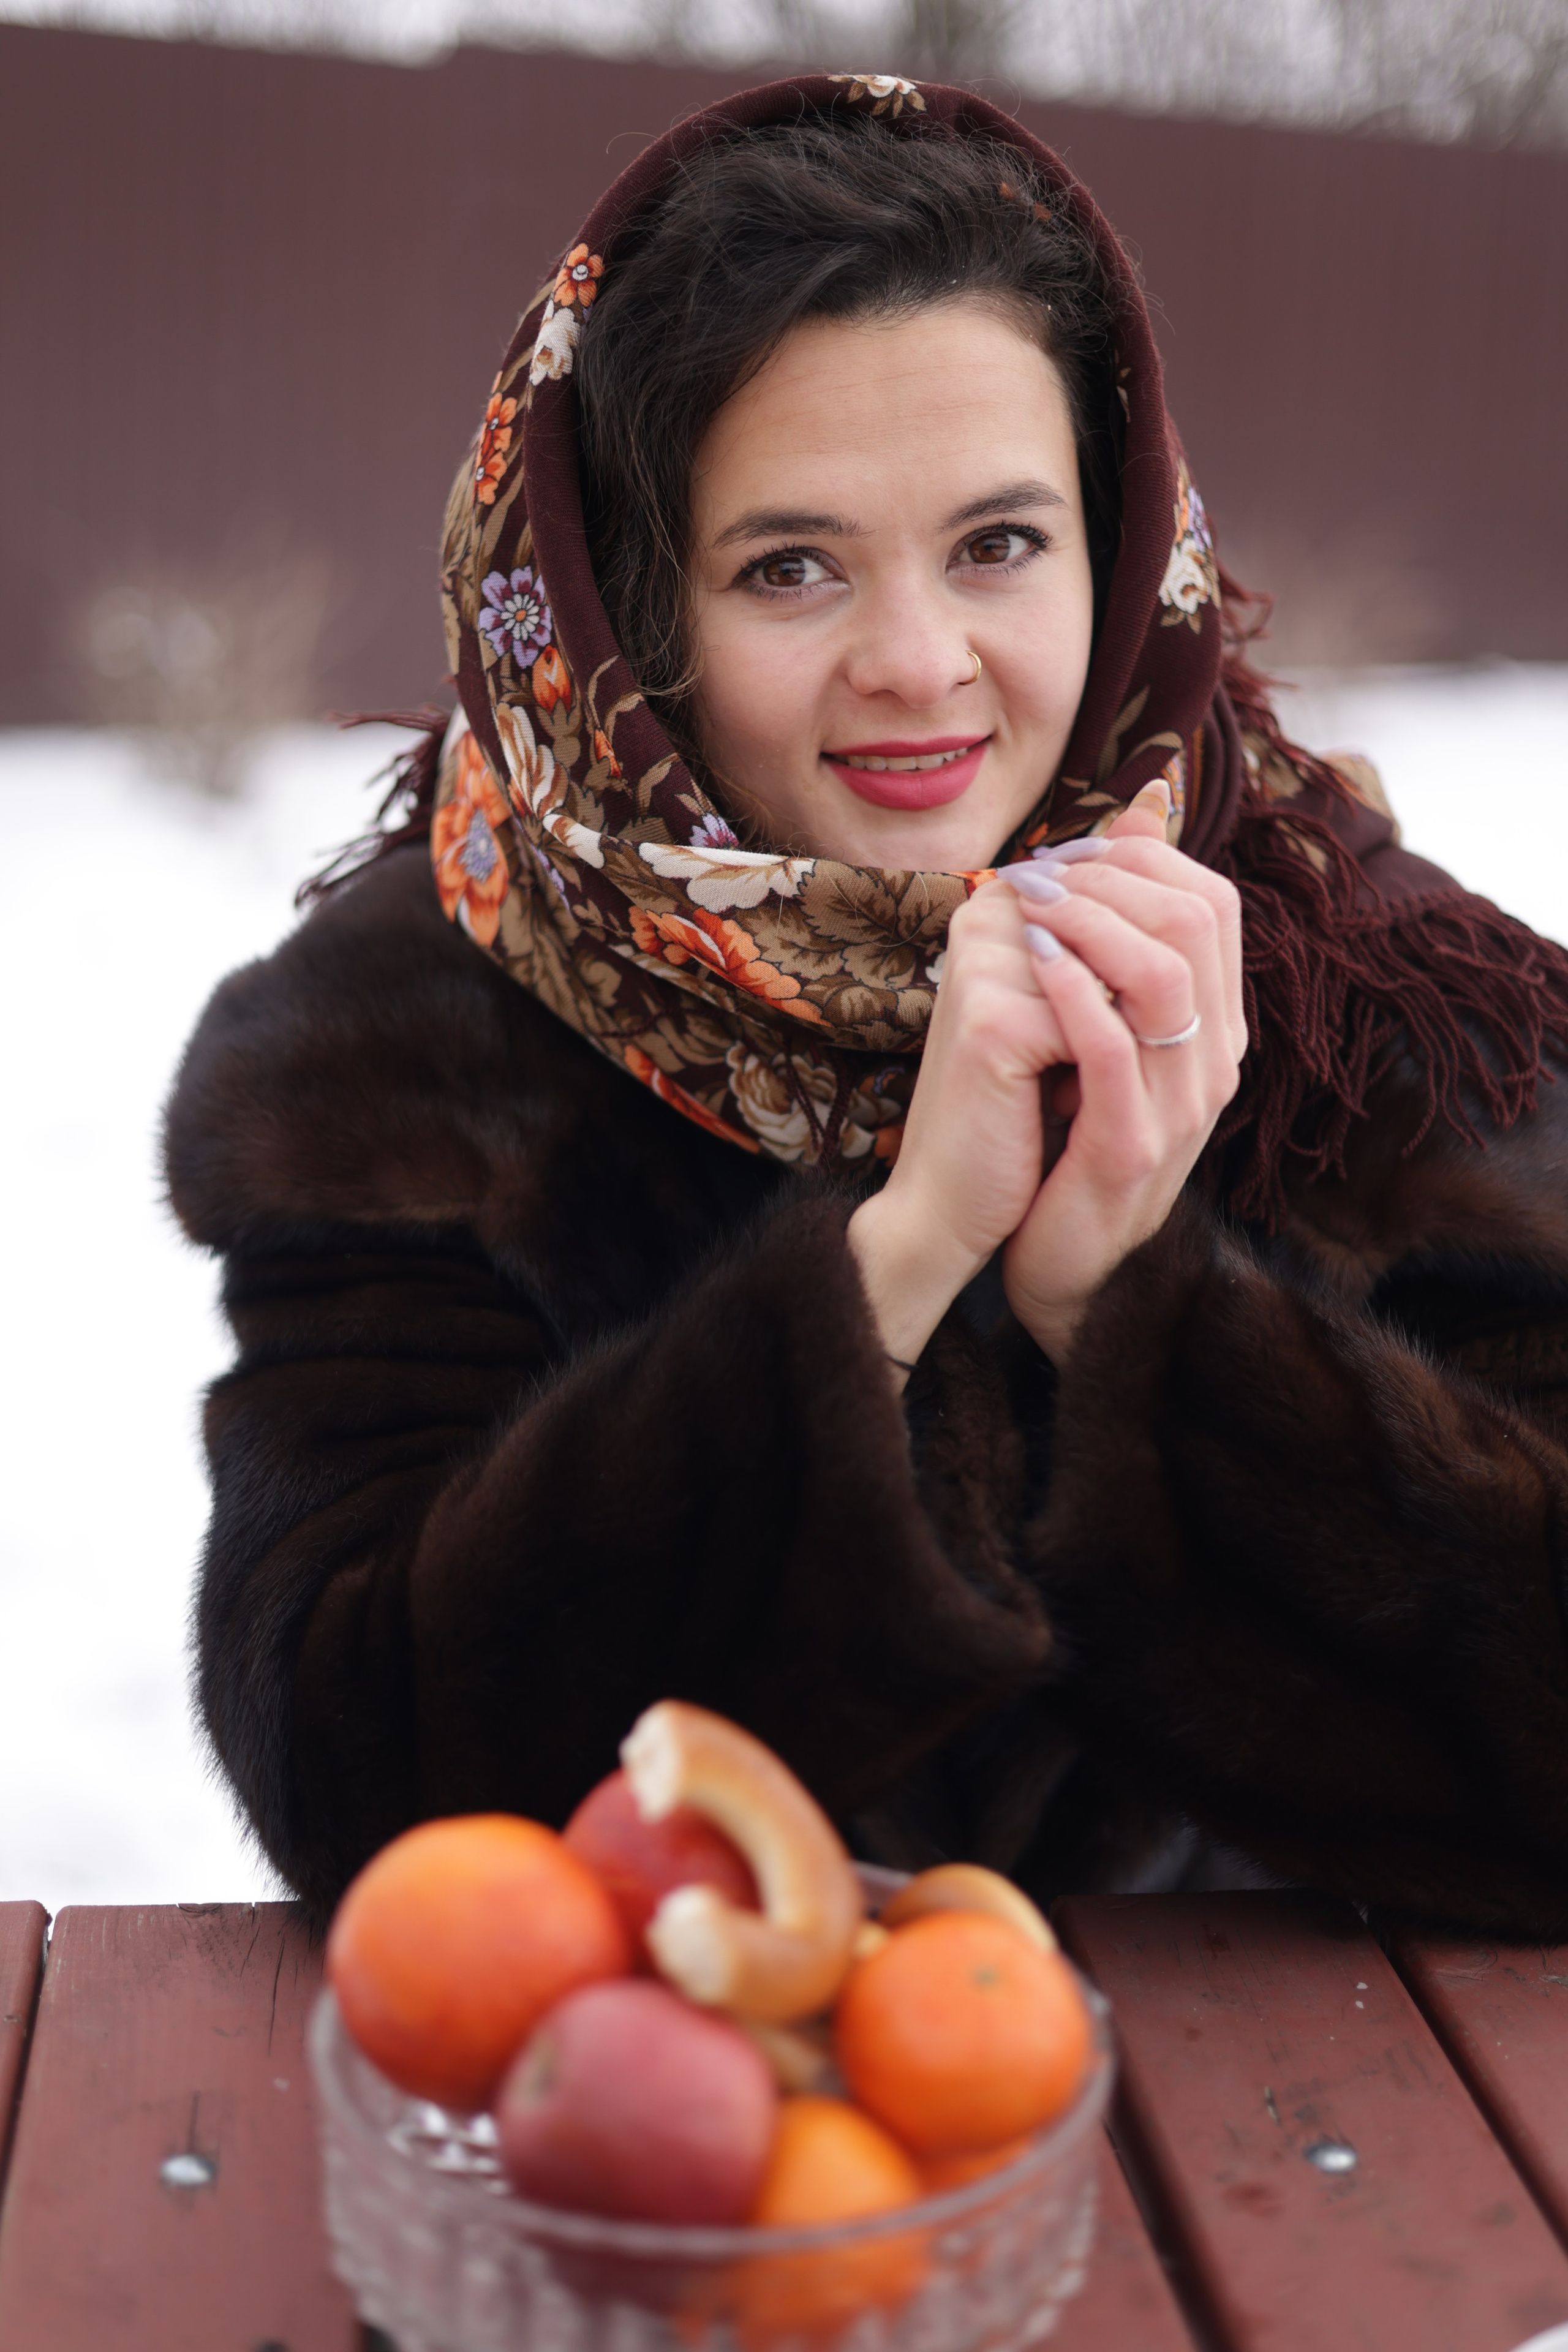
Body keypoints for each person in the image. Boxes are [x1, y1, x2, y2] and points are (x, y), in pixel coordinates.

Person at [167, 73, 1568, 1935]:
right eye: (791, 566)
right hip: (688, 2147)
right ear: (631, 610)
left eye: (999, 543)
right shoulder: (424, 1053)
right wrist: (893, 1267)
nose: (921, 667)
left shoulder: (1358, 987)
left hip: (1316, 2142)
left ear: (1123, 542)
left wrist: (1131, 1309)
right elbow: (373, 1784)